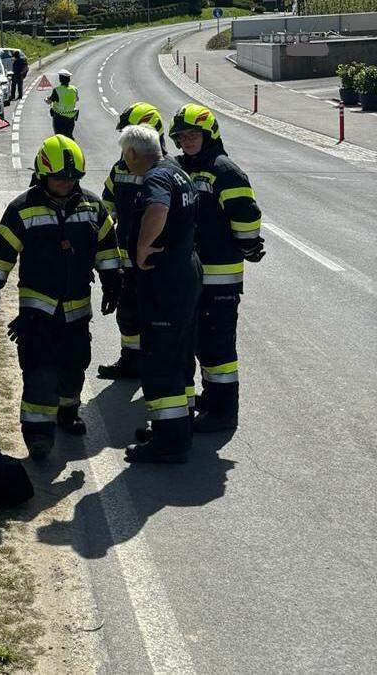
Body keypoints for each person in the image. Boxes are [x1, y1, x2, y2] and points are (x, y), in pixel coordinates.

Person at [0, 135, 120, 459]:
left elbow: (108, 249)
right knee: (40, 371)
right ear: (43, 174)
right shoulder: (21, 209)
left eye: (72, 178)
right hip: (37, 314)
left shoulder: (92, 206)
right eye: (59, 178)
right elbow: (2, 256)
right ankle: (38, 435)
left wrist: (114, 283)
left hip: (77, 311)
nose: (66, 183)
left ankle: (67, 412)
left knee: (75, 366)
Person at [170, 104, 265, 432]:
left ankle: (224, 413)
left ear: (208, 134)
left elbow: (247, 217)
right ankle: (212, 399)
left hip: (220, 279)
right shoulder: (181, 169)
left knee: (218, 347)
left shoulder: (225, 171)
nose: (188, 141)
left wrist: (249, 245)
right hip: (192, 278)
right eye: (182, 137)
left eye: (193, 135)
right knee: (200, 343)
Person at [117, 124, 201, 463]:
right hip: (186, 274)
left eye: (125, 155)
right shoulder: (178, 172)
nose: (125, 162)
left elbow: (157, 210)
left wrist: (142, 247)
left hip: (165, 281)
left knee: (161, 360)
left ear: (134, 153)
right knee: (179, 355)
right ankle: (177, 426)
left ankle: (169, 443)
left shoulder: (155, 179)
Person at [98, 102, 167, 380]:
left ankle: (157, 367)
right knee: (127, 315)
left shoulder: (167, 170)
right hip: (127, 260)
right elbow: (107, 205)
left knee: (158, 320)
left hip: (158, 265)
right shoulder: (120, 169)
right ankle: (130, 361)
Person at [46, 69, 79, 140]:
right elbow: (77, 99)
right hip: (71, 118)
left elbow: (49, 101)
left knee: (59, 137)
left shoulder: (57, 90)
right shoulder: (74, 89)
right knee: (69, 136)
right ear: (69, 80)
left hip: (59, 118)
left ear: (60, 79)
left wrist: (46, 99)